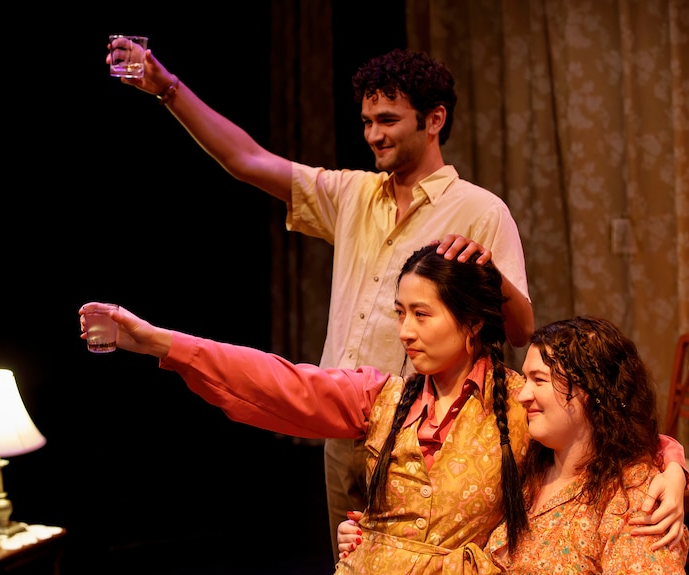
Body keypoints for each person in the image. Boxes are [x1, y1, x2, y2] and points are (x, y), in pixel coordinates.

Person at [108, 43, 536, 559]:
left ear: (434, 119)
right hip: (343, 424)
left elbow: (520, 332)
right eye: (366, 121)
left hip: (426, 441)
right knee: (352, 563)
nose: (373, 134)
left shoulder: (480, 211)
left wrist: (491, 271)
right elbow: (246, 160)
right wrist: (168, 89)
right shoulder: (354, 194)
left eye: (387, 120)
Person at [79, 244, 686, 574]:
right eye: (400, 313)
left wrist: (673, 469)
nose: (405, 331)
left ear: (471, 324)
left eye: (422, 314)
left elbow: (613, 431)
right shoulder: (383, 398)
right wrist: (158, 341)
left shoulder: (520, 405)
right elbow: (278, 382)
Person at [337, 316, 689, 574]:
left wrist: (673, 469)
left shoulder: (636, 501)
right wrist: (376, 541)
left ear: (588, 391)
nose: (522, 394)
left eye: (538, 379)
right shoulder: (530, 467)